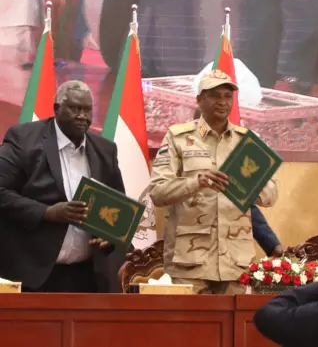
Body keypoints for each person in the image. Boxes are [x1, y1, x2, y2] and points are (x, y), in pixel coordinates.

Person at [147, 69, 278, 294]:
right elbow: (158, 192)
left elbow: (271, 196)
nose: (222, 102)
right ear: (199, 99)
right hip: (190, 261)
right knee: (189, 318)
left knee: (233, 318)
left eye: (228, 96)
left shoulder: (247, 142)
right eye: (215, 95)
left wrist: (247, 185)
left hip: (235, 261)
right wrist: (197, 182)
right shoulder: (178, 138)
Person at [0, 80, 125, 292]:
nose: (82, 116)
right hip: (33, 274)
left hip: (87, 276)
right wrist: (47, 212)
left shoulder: (105, 150)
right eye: (75, 108)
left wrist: (109, 235)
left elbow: (118, 207)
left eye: (87, 110)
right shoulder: (24, 139)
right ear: (57, 108)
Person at [191, 108, 283, 257]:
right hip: (194, 244)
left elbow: (247, 206)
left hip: (231, 247)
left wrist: (272, 244)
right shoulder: (182, 150)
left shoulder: (233, 158)